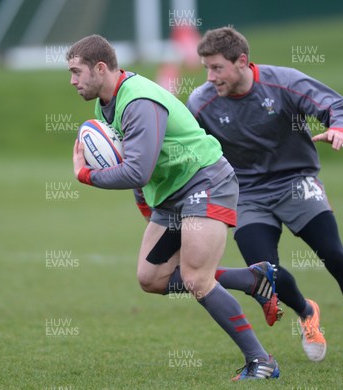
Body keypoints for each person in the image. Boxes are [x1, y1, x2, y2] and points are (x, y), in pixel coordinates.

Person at [185, 26, 343, 368]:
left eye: (217, 68)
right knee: (266, 274)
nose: (210, 77)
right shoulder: (201, 103)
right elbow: (184, 145)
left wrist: (339, 128)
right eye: (206, 69)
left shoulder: (282, 83)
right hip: (246, 194)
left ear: (242, 61)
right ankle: (307, 311)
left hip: (296, 182)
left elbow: (334, 104)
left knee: (335, 256)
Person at [67, 34, 280, 380]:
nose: (73, 81)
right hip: (171, 195)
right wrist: (145, 204)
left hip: (204, 181)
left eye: (77, 72)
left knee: (197, 278)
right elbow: (133, 159)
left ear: (100, 68)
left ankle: (262, 361)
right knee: (151, 278)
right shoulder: (106, 103)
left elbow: (138, 168)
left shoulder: (137, 101)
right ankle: (251, 278)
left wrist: (86, 175)